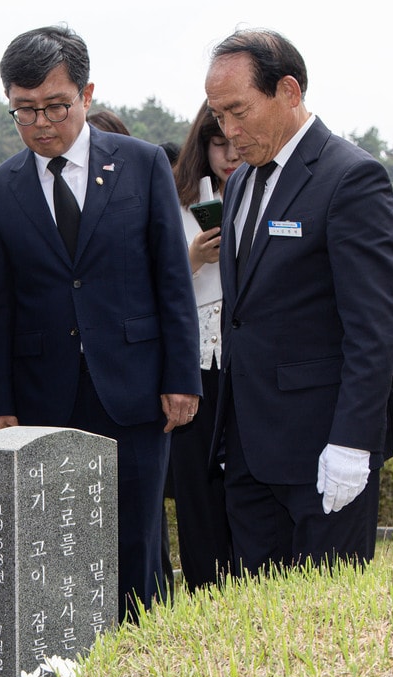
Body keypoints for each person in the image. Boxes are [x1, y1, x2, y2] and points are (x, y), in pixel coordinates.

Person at [0, 26, 200, 620]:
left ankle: (142, 663)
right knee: (57, 549)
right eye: (24, 110)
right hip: (42, 394)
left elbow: (171, 279)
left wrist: (182, 377)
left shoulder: (142, 164)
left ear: (87, 93)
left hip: (135, 389)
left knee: (135, 544)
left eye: (56, 106)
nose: (41, 123)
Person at [204, 29, 393, 573]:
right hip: (248, 444)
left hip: (323, 448)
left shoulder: (350, 177)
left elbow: (373, 327)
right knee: (257, 606)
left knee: (327, 609)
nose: (229, 131)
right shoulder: (241, 182)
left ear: (288, 91)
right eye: (218, 115)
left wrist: (352, 444)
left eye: (238, 111)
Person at [168, 103, 239, 589]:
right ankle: (204, 588)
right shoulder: (176, 202)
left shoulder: (265, 193)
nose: (230, 154)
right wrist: (192, 258)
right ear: (202, 145)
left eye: (236, 142)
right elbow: (151, 285)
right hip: (192, 361)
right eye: (218, 144)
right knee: (195, 484)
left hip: (244, 360)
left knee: (244, 484)